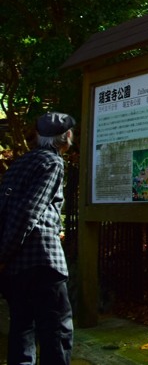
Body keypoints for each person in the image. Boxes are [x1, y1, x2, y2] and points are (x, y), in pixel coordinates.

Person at [0, 112, 76, 365]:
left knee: (22, 328)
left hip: (15, 267)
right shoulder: (53, 162)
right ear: (66, 137)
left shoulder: (20, 163)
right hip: (42, 261)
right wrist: (4, 253)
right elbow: (29, 210)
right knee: (55, 330)